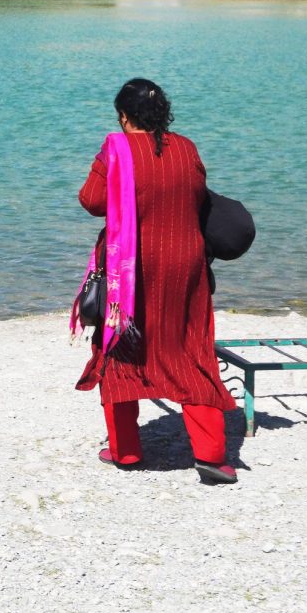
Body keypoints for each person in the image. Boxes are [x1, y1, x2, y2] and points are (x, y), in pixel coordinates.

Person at [77, 78, 240, 485]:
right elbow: (197, 195)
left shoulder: (116, 148)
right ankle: (212, 456)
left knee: (121, 349)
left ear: (123, 116)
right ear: (162, 112)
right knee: (189, 347)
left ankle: (126, 451)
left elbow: (92, 202)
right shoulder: (186, 148)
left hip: (131, 266)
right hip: (185, 264)